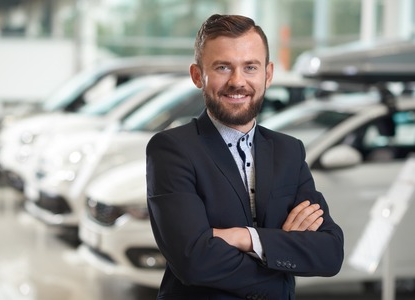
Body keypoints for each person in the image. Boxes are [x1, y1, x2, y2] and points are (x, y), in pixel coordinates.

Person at [146, 14, 344, 300]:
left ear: (268, 73)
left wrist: (244, 237)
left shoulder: (289, 151)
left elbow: (330, 252)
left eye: (250, 67)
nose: (238, 81)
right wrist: (281, 268)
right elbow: (193, 260)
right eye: (223, 67)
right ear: (198, 75)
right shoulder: (172, 150)